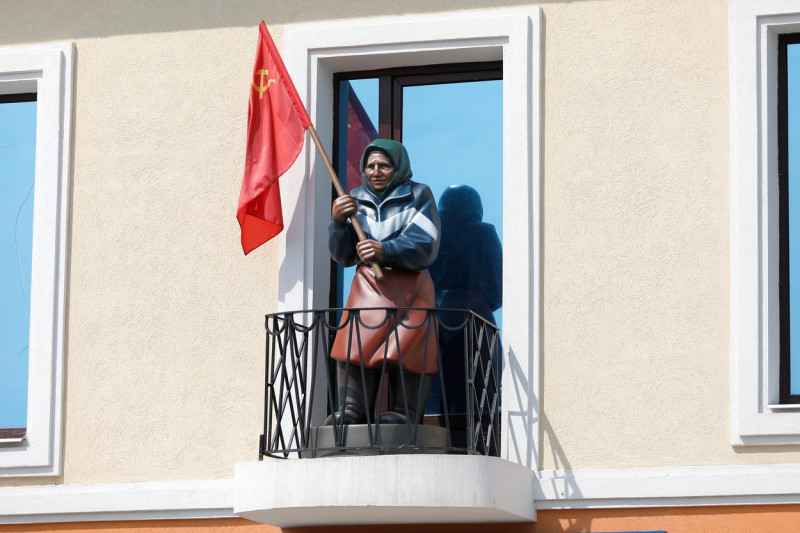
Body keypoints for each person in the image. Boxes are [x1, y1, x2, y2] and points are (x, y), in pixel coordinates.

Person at [328, 139, 441, 425]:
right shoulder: (354, 199)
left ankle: (406, 412)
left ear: (398, 166)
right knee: (355, 344)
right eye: (371, 166)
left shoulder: (417, 196)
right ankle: (353, 410)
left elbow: (426, 243)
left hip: (410, 289)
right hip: (368, 289)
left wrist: (386, 250)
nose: (376, 171)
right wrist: (339, 223)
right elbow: (342, 256)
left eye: (384, 165)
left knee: (408, 348)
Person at [427, 185, 502, 416]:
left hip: (435, 316)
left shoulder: (433, 236)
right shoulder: (485, 233)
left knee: (435, 388)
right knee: (482, 384)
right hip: (477, 314)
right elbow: (499, 285)